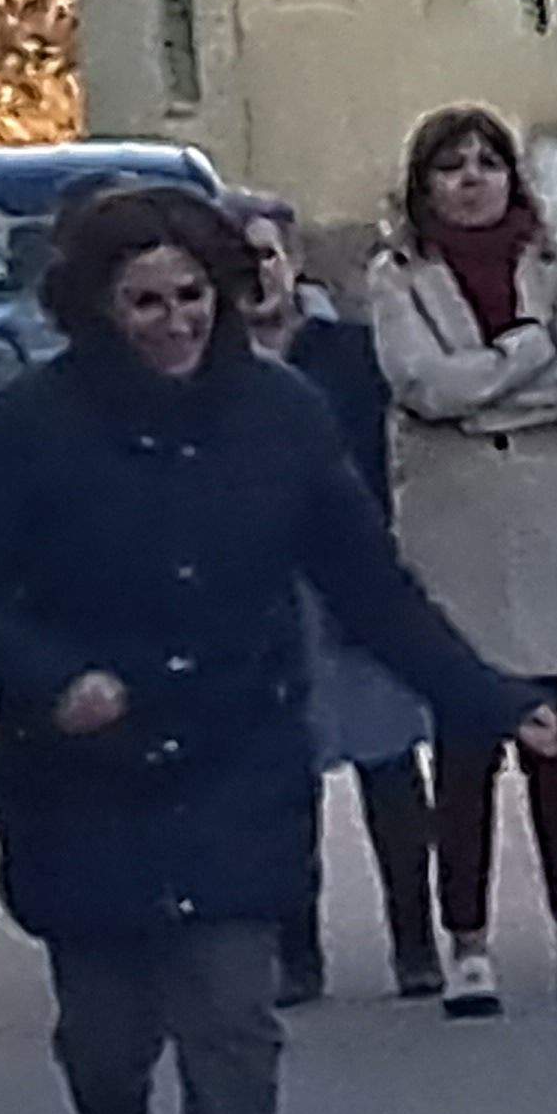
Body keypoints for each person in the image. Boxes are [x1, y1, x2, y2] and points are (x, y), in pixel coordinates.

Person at [0, 184, 551, 1114]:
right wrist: (54, 681)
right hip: (81, 777)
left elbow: (369, 586)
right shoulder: (36, 424)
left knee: (233, 1025)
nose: (173, 324)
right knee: (110, 1039)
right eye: (145, 303)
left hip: (234, 755)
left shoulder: (281, 416)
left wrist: (487, 696)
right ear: (97, 309)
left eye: (192, 298)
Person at [361, 104, 557, 1019]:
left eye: (487, 162)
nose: (472, 180)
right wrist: (522, 351)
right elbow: (421, 384)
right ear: (423, 185)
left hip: (545, 528)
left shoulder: (553, 263)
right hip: (456, 535)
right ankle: (467, 944)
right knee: (465, 750)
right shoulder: (397, 274)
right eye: (452, 166)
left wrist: (483, 399)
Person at [233, 193, 441, 1007]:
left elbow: (402, 457)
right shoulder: (204, 370)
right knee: (282, 780)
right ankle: (297, 954)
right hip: (258, 594)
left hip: (351, 579)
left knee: (390, 765)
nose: (254, 273)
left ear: (292, 261)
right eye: (234, 260)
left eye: (264, 254)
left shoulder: (352, 352)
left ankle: (416, 944)